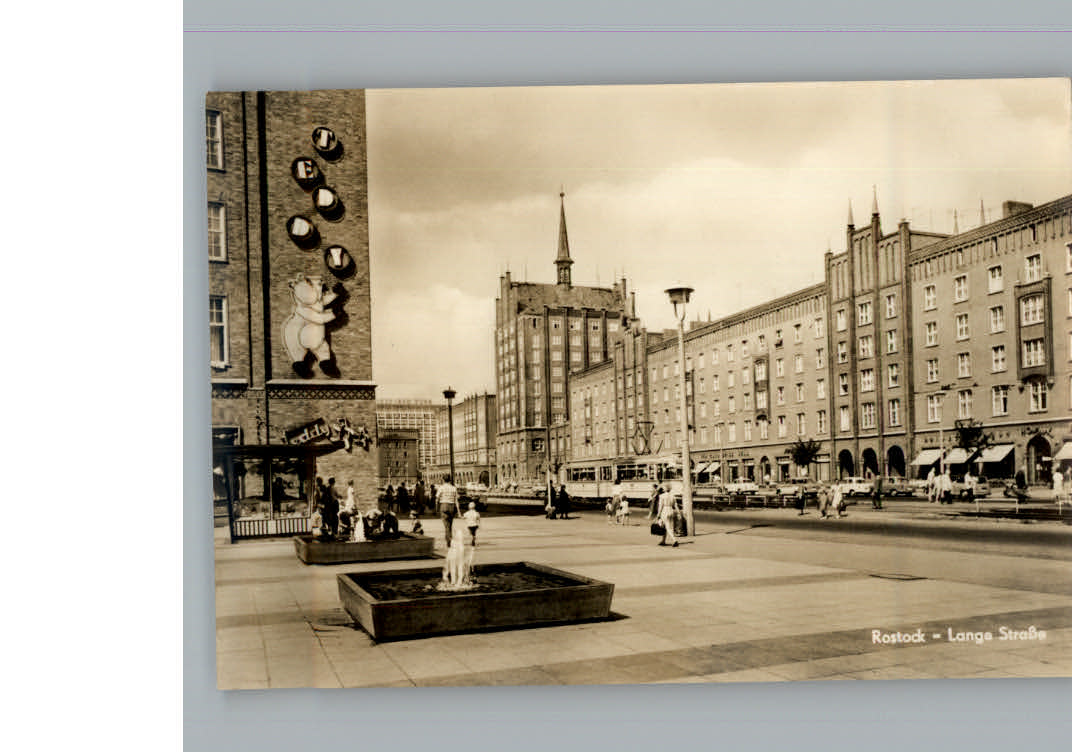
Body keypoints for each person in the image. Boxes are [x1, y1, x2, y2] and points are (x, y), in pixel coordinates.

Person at [437, 474, 461, 545]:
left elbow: (437, 498)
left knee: (446, 524)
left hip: (444, 506)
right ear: (450, 480)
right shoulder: (454, 488)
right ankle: (449, 537)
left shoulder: (441, 488)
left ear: (443, 480)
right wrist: (459, 512)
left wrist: (436, 508)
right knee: (450, 524)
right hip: (452, 506)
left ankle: (448, 538)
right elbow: (456, 500)